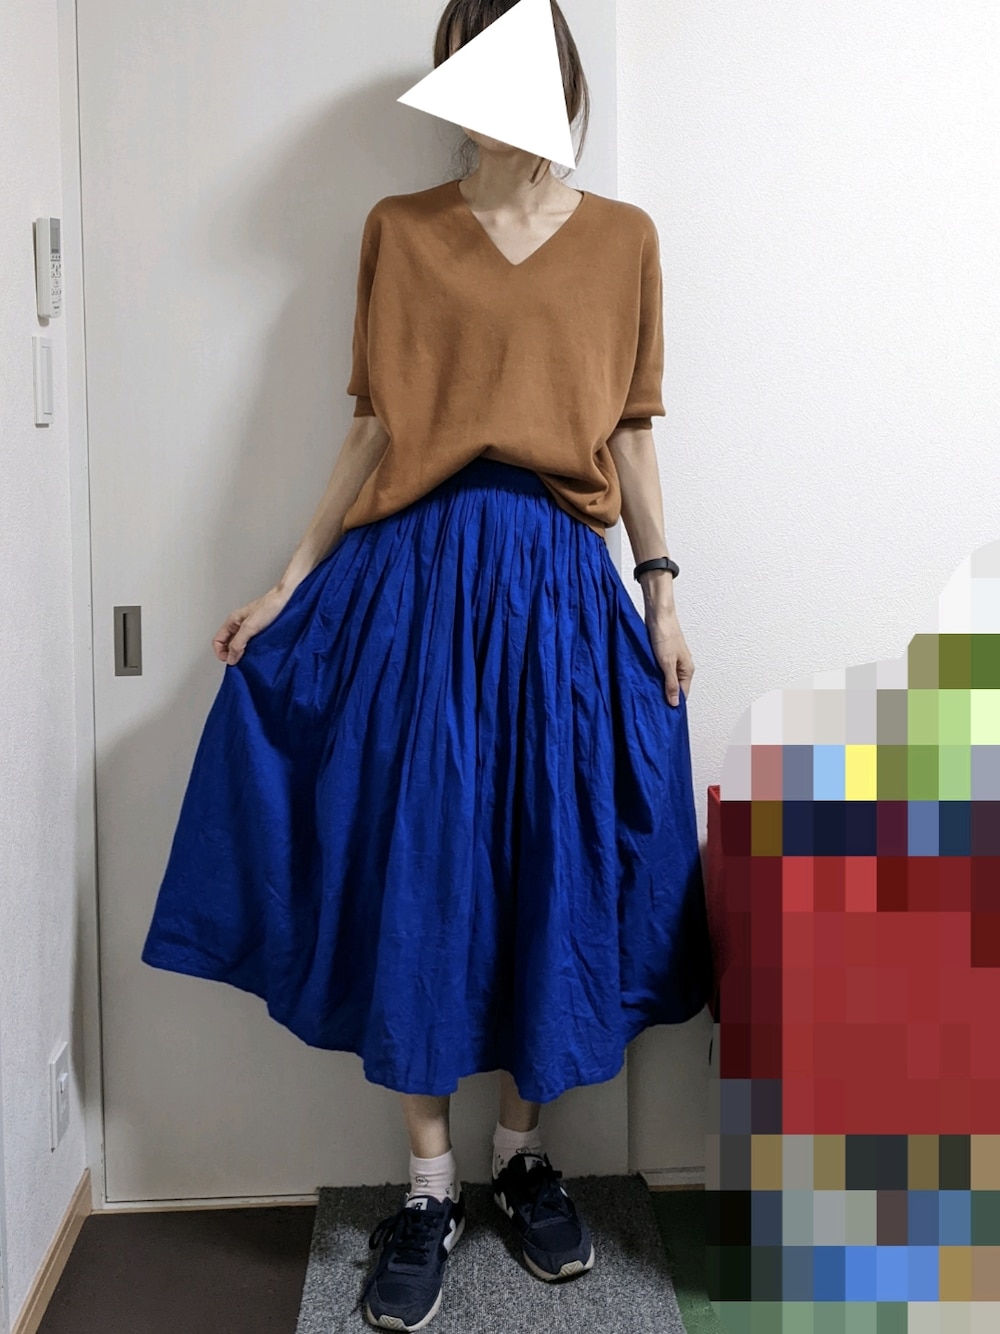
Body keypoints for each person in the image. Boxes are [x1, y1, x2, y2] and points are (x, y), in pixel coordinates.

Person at [141, 1, 715, 1329]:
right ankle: (426, 1184)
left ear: (559, 78)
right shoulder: (399, 231)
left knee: (552, 861)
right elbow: (373, 430)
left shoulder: (624, 239)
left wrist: (663, 593)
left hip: (560, 589)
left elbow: (632, 433)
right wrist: (286, 583)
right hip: (417, 584)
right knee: (424, 866)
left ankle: (522, 1157)